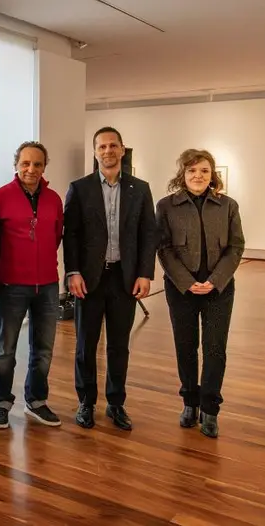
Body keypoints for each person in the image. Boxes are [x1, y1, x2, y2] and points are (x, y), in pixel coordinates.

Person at [64, 126, 157, 431]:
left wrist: (145, 273)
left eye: (113, 145)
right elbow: (72, 235)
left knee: (119, 345)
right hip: (89, 279)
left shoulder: (140, 189)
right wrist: (72, 272)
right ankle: (86, 402)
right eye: (102, 146)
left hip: (124, 278)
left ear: (122, 149)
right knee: (85, 345)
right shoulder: (80, 188)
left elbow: (148, 234)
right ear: (95, 152)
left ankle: (116, 403)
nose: (107, 151)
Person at [156, 149, 244, 438]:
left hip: (219, 289)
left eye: (204, 170)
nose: (198, 175)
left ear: (212, 174)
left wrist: (216, 280)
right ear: (183, 174)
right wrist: (185, 281)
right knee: (186, 347)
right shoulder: (166, 206)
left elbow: (235, 247)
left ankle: (209, 409)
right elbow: (164, 248)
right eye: (192, 170)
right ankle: (189, 403)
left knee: (215, 350)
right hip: (181, 289)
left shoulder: (228, 205)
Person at [0, 141, 65, 430]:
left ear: (45, 167)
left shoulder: (55, 199)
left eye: (37, 164)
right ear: (16, 165)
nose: (31, 169)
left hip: (47, 285)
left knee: (43, 349)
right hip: (10, 285)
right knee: (4, 349)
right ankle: (1, 403)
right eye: (26, 164)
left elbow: (56, 235)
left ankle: (36, 401)